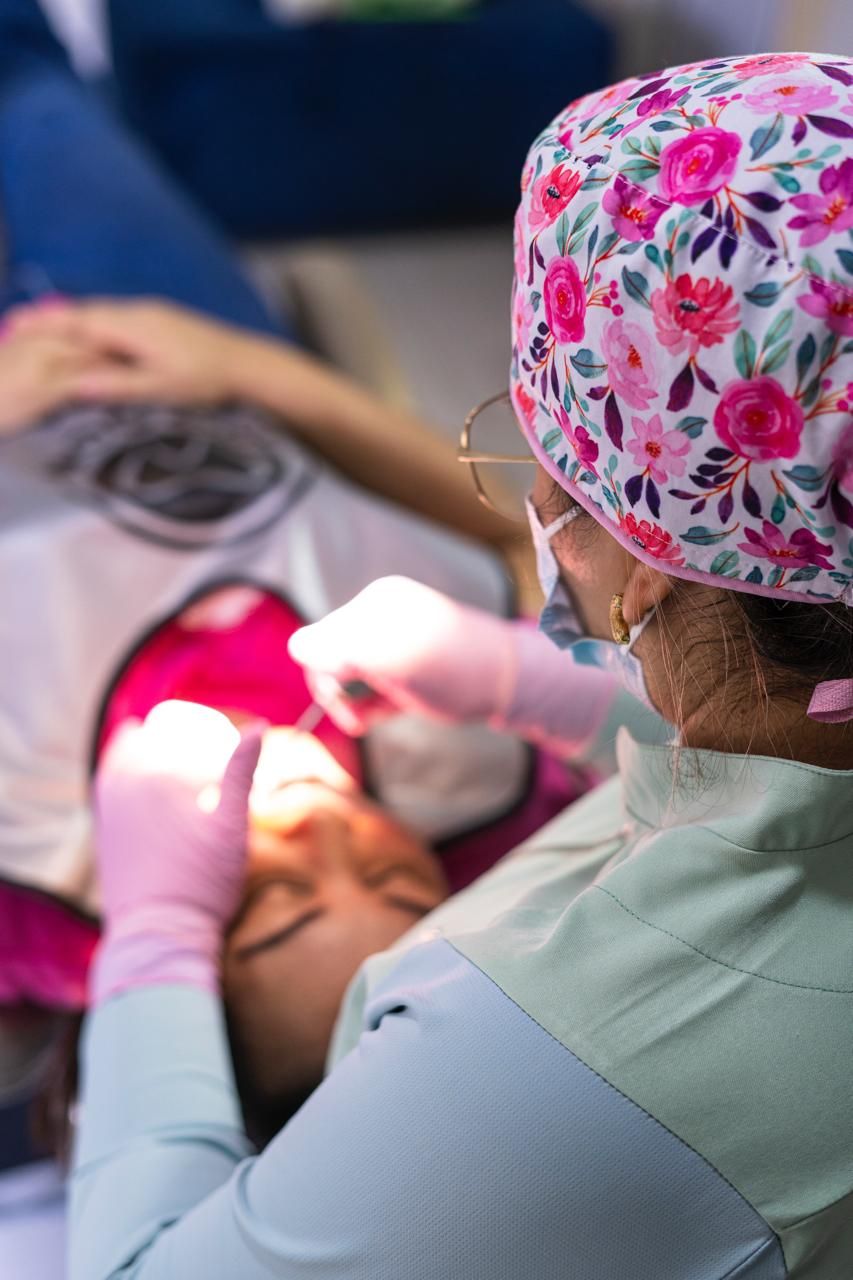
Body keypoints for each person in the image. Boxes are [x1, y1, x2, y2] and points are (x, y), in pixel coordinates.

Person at [66, 47, 853, 1280]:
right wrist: (571, 700)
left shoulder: (581, 1074)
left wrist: (157, 931)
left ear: (648, 564)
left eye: (541, 454)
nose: (534, 492)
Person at [0, 0, 599, 1112]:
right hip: (193, 363)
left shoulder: (44, 906)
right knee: (33, 90)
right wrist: (248, 368)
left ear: (171, 983)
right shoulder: (491, 820)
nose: (327, 826)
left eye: (273, 902)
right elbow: (494, 534)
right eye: (391, 872)